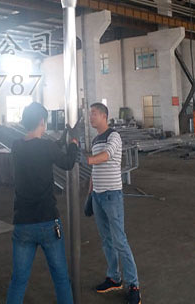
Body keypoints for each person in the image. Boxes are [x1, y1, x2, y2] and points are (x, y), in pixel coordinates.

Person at [6, 102, 80, 304]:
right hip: (48, 222)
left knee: (18, 280)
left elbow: (38, 152)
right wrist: (73, 142)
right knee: (61, 278)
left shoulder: (16, 146)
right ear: (41, 121)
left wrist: (60, 142)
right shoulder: (47, 147)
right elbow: (68, 162)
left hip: (22, 223)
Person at [87, 103, 141, 304]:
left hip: (112, 196)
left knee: (119, 240)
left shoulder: (113, 136)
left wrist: (88, 160)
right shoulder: (95, 140)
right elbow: (95, 169)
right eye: (90, 114)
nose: (90, 117)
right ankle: (114, 278)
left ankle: (134, 285)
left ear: (104, 116)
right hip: (98, 196)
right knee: (106, 240)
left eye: (93, 114)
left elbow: (107, 155)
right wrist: (90, 194)